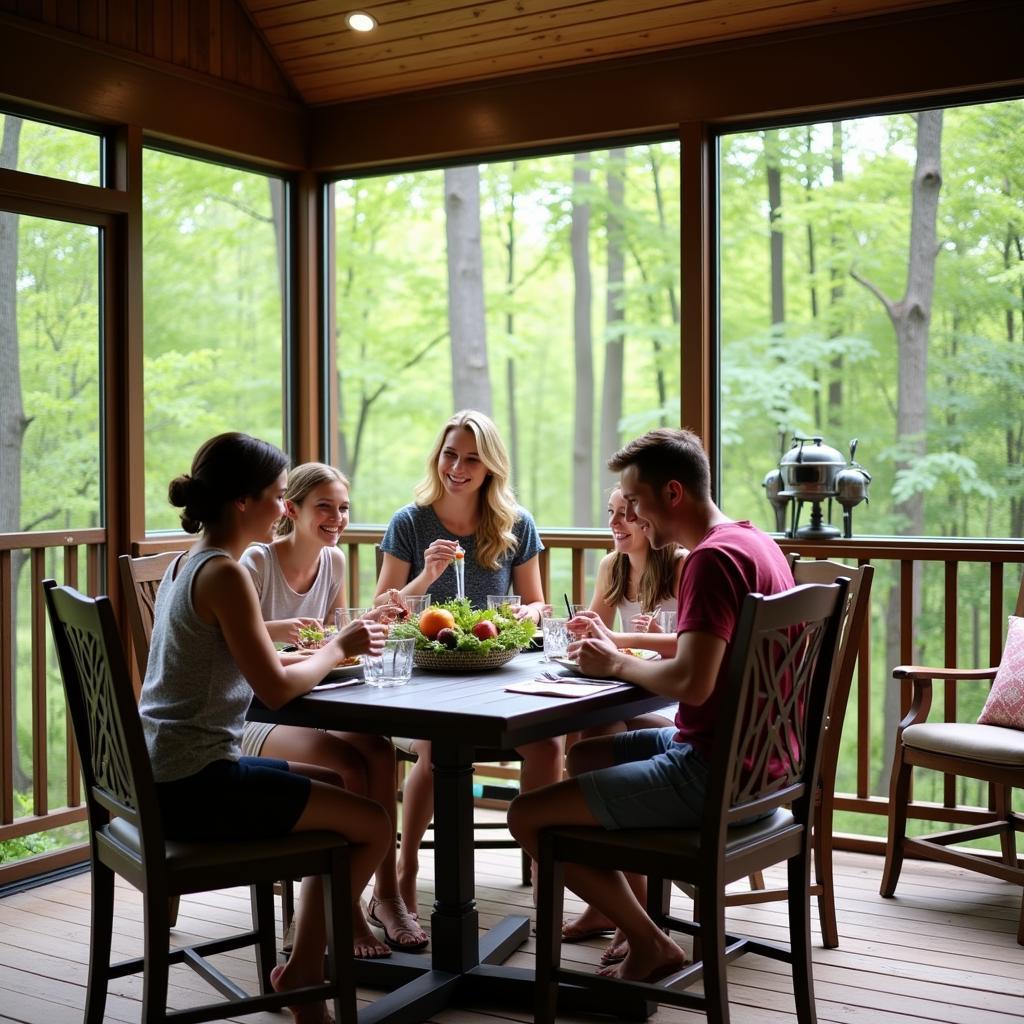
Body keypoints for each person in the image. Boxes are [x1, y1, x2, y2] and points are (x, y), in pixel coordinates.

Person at [507, 427, 795, 984]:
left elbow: (692, 682)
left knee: (528, 815)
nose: (633, 516)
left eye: (635, 502)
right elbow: (705, 643)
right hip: (764, 768)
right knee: (588, 758)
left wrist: (614, 665)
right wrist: (619, 645)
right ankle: (629, 908)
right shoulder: (752, 541)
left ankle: (649, 940)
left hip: (712, 776)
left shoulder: (710, 561)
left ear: (672, 495)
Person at [138, 433, 392, 1024]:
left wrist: (323, 649)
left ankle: (302, 966)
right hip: (197, 786)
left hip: (169, 771)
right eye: (280, 497)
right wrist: (338, 645)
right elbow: (275, 691)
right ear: (243, 501)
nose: (285, 509)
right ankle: (304, 971)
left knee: (337, 784)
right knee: (374, 824)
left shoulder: (187, 561)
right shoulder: (226, 573)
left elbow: (256, 665)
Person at [374, 409, 557, 915]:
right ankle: (407, 867)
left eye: (472, 458)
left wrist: (529, 611)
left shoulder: (515, 523)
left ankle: (543, 866)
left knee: (549, 742)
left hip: (496, 674)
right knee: (436, 746)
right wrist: (427, 576)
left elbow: (538, 604)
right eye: (450, 454)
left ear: (491, 465)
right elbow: (381, 614)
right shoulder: (410, 522)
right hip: (427, 676)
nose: (458, 466)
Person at [239, 462, 428, 954]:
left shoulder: (334, 561)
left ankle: (386, 895)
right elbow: (248, 659)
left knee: (379, 753)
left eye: (343, 508)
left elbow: (331, 640)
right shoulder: (255, 564)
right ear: (291, 508)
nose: (337, 518)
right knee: (346, 765)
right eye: (324, 506)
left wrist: (368, 624)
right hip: (255, 714)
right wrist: (314, 640)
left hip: (312, 703)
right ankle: (341, 910)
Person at [559, 486, 686, 944]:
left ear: (649, 518)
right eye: (611, 513)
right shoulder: (612, 566)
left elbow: (689, 654)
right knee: (593, 737)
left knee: (599, 739)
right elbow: (598, 638)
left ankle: (632, 917)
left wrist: (619, 642)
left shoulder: (681, 563)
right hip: (630, 692)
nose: (616, 524)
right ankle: (612, 907)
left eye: (627, 515)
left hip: (669, 703)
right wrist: (585, 631)